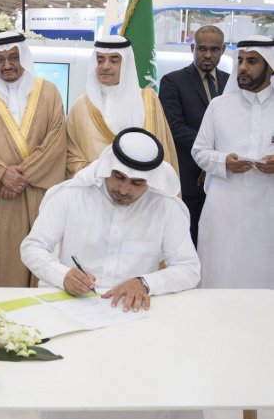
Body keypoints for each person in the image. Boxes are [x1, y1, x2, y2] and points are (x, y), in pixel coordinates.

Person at [21, 127, 203, 419]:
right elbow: (32, 247)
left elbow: (189, 268)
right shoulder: (70, 196)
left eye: (136, 183)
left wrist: (144, 282)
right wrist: (62, 275)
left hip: (135, 316)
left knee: (159, 385)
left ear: (151, 181)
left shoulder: (166, 208)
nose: (124, 189)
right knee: (75, 391)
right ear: (107, 167)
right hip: (73, 313)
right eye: (118, 177)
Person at [0, 31, 66, 287]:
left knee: (37, 257)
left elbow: (56, 142)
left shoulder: (49, 92)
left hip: (34, 198)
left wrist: (19, 177)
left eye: (13, 58)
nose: (7, 65)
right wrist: (1, 174)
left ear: (24, 58)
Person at [192, 35, 274, 288]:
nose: (243, 68)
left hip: (267, 211)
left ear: (270, 66)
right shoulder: (219, 106)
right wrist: (224, 161)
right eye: (240, 60)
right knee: (219, 274)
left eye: (252, 61)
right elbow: (199, 151)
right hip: (224, 210)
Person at [66, 35, 178, 178]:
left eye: (114, 60)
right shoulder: (81, 106)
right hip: (93, 184)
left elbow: (161, 149)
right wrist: (101, 174)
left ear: (126, 63)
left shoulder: (147, 101)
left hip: (139, 185)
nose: (105, 66)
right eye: (100, 60)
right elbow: (70, 155)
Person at [159, 25, 229, 245]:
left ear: (223, 50)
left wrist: (217, 161)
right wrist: (210, 155)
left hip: (225, 178)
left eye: (214, 49)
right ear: (192, 48)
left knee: (220, 240)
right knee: (188, 239)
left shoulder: (233, 83)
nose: (207, 55)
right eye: (202, 48)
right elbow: (174, 127)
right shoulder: (173, 81)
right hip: (189, 176)